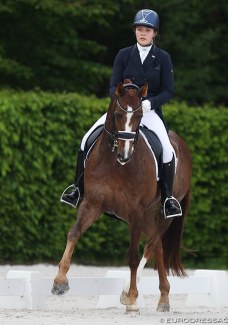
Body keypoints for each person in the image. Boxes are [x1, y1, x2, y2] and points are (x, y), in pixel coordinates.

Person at [60, 9, 182, 218]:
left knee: (167, 149)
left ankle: (168, 199)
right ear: (135, 31)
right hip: (122, 111)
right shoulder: (124, 54)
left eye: (147, 30)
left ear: (155, 33)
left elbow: (168, 91)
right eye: (139, 29)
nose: (143, 33)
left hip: (148, 112)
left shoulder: (163, 58)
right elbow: (112, 86)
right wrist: (120, 104)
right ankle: (77, 188)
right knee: (86, 139)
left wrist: (149, 103)